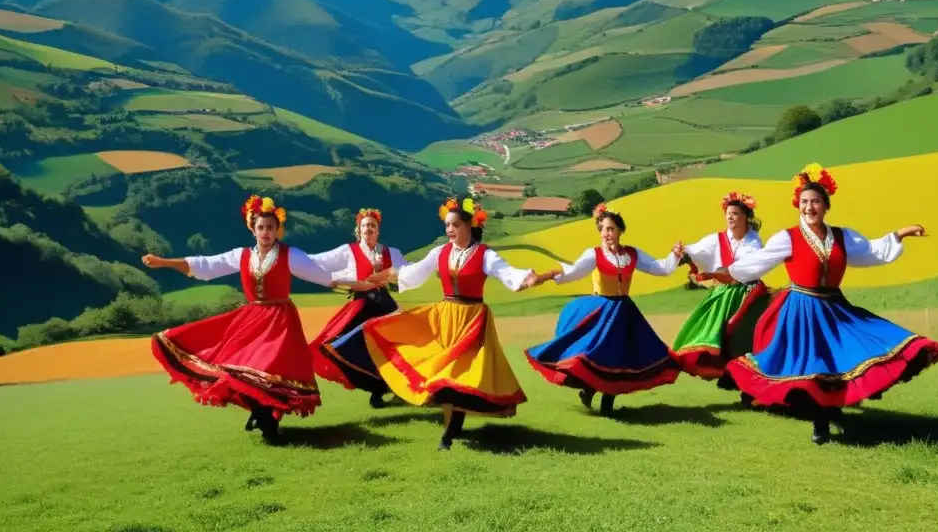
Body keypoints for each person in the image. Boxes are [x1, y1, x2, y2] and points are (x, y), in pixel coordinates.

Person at [706, 163, 938, 444]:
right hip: (802, 310)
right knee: (815, 366)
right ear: (798, 205)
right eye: (804, 202)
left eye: (815, 202)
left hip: (834, 308)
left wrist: (900, 234)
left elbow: (871, 251)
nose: (809, 207)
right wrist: (725, 272)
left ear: (825, 206)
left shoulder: (843, 237)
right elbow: (757, 262)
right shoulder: (788, 238)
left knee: (846, 359)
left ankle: (831, 411)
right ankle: (820, 424)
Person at [143, 195, 378, 443]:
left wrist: (361, 283)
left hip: (280, 322)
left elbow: (324, 276)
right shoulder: (241, 255)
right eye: (261, 227)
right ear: (253, 229)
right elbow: (206, 265)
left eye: (270, 228)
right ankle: (263, 415)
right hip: (253, 319)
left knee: (268, 371)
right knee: (241, 370)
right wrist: (164, 262)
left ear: (278, 230)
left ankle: (266, 419)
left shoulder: (291, 255)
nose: (265, 232)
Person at [323, 197, 534, 450]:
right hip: (445, 318)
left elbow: (506, 272)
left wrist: (527, 277)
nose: (449, 230)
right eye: (447, 225)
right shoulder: (440, 252)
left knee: (460, 373)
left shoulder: (484, 254)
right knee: (440, 371)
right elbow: (414, 274)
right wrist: (389, 274)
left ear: (468, 225)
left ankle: (450, 432)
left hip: (472, 320)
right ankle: (451, 427)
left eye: (454, 225)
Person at [522, 203, 684, 417]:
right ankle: (589, 390)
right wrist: (544, 276)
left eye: (611, 229)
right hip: (603, 311)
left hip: (625, 312)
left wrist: (675, 255)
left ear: (620, 231)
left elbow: (660, 268)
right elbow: (573, 272)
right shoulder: (594, 254)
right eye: (603, 229)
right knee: (596, 355)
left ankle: (607, 401)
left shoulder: (632, 254)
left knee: (620, 357)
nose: (606, 234)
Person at [307, 208, 408, 408]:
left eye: (372, 225)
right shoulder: (348, 251)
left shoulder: (391, 253)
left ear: (378, 230)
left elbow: (408, 271)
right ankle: (375, 387)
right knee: (341, 345)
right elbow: (319, 260)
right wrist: (291, 259)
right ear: (358, 229)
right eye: (365, 225)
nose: (368, 228)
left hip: (384, 306)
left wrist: (392, 273)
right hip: (361, 306)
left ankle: (386, 390)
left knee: (389, 350)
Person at [672, 192, 767, 385]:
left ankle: (741, 373)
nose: (730, 217)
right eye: (728, 213)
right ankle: (724, 371)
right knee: (711, 327)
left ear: (745, 217)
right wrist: (683, 253)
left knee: (744, 331)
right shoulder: (718, 239)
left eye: (735, 213)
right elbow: (697, 250)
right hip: (724, 292)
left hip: (749, 292)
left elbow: (751, 263)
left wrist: (729, 270)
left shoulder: (753, 241)